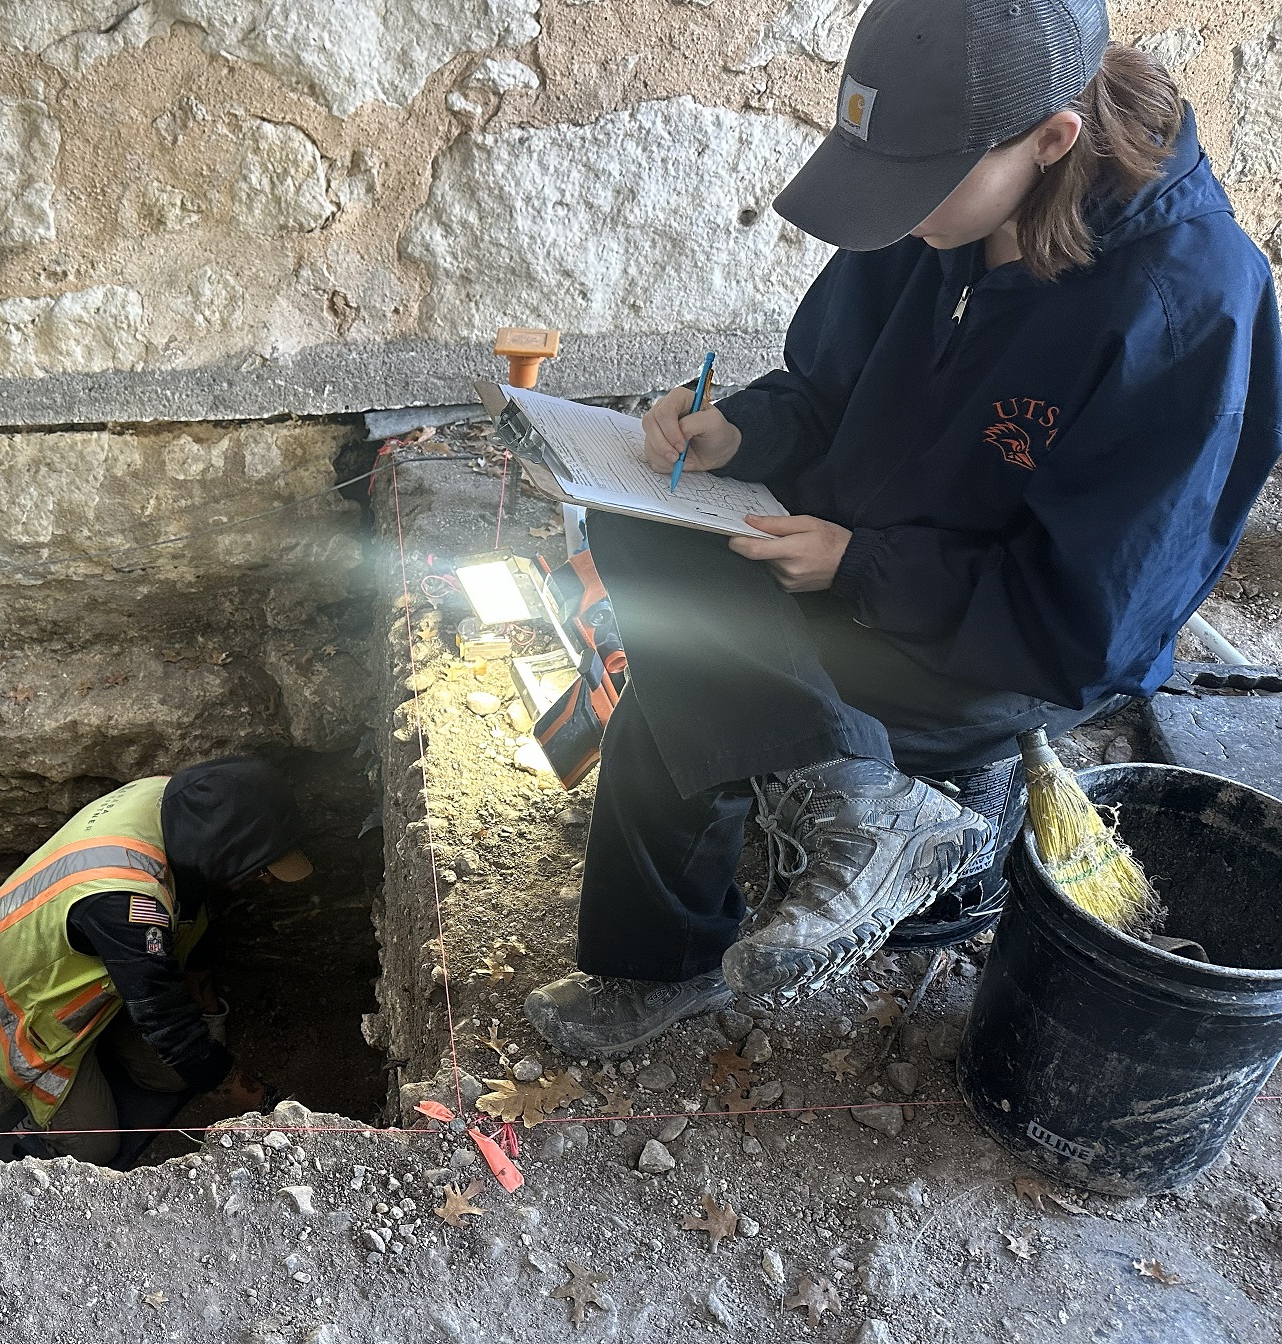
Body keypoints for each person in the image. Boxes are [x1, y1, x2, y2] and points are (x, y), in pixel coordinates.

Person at [526, 0, 1282, 1058]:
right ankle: (864, 807)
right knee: (646, 542)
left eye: (914, 190)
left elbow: (1089, 621)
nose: (896, 215)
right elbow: (824, 387)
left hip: (1014, 640)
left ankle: (707, 931)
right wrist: (738, 431)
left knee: (676, 681)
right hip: (851, 553)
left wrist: (860, 567)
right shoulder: (935, 211)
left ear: (1052, 141)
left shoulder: (1188, 304)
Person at [0, 756, 311, 1166]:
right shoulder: (125, 901)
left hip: (69, 951)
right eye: (261, 869)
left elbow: (189, 925)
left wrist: (208, 1011)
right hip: (21, 994)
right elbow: (169, 1023)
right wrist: (257, 1099)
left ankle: (104, 1041)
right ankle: (38, 1139)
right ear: (222, 850)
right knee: (95, 1151)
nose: (266, 879)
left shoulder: (176, 803)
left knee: (176, 1076)